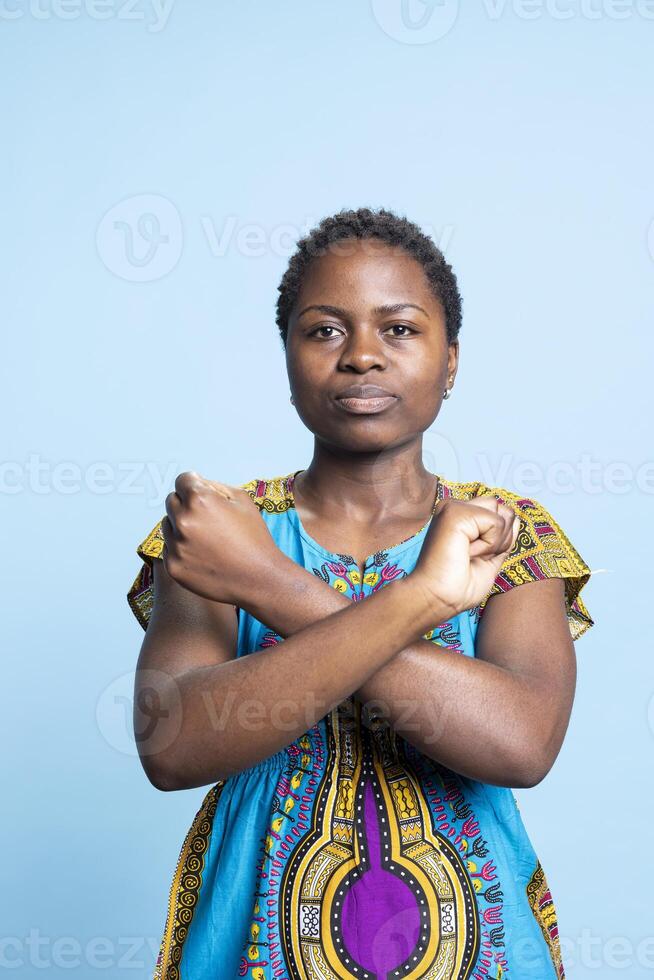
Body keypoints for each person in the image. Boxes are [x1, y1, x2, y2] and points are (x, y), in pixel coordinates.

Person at [127, 207, 594, 980]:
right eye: (325, 331)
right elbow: (172, 749)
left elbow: (520, 741)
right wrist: (418, 599)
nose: (362, 358)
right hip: (254, 941)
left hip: (481, 948)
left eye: (401, 329)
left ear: (451, 361)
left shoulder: (503, 532)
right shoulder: (220, 528)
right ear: (287, 357)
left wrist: (267, 585)